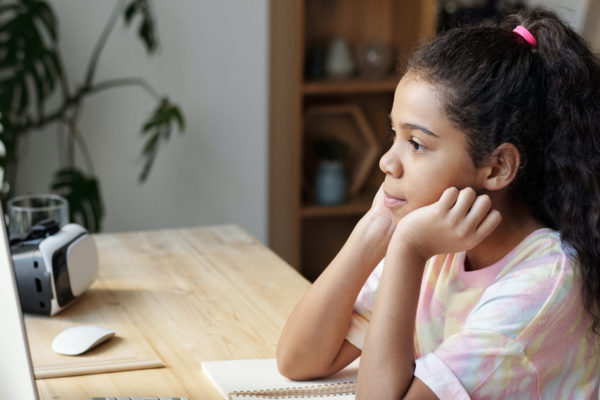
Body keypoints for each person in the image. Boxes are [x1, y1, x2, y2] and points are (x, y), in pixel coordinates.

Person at [276, 8, 600, 399]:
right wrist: (375, 226)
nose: (386, 161)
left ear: (497, 167)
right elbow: (299, 360)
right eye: (393, 133)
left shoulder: (543, 284)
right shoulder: (439, 242)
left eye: (416, 144)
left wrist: (407, 251)